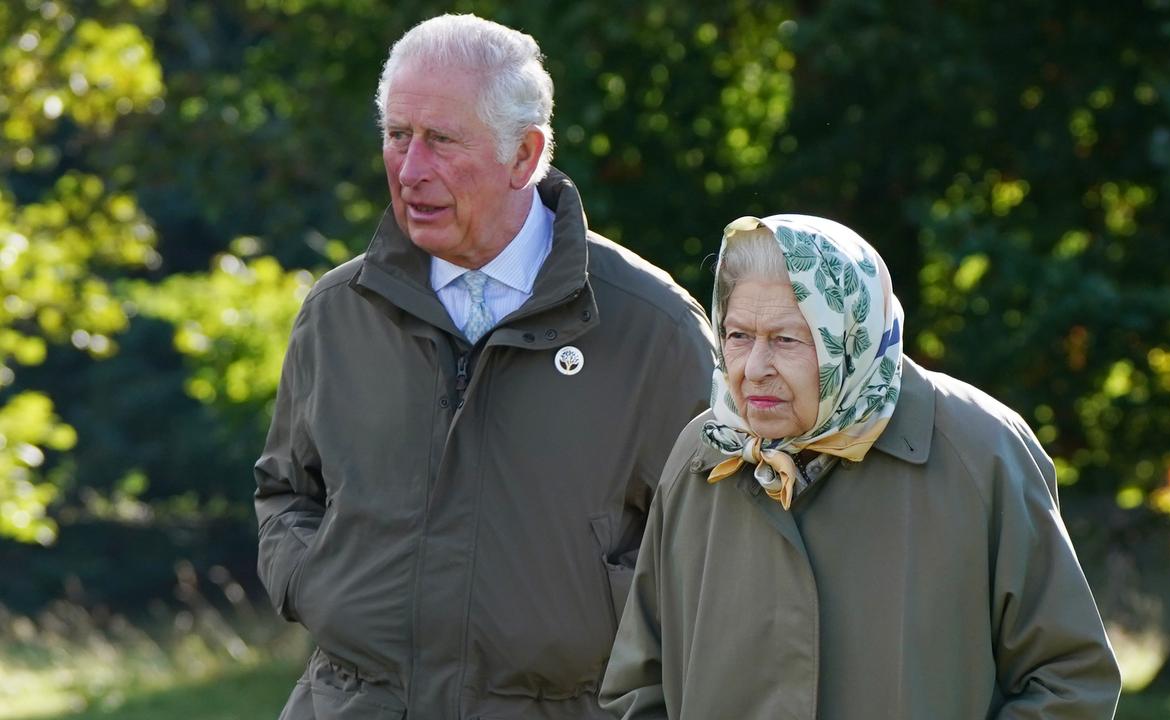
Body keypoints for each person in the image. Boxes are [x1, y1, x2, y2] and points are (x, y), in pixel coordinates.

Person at [253, 14, 714, 719]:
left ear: (524, 156)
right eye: (397, 136)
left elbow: (713, 546)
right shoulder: (338, 311)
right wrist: (315, 584)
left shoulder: (655, 330)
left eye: (440, 140)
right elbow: (285, 490)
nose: (410, 171)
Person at [599, 215, 1122, 719]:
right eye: (738, 336)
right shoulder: (704, 452)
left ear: (849, 337)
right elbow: (639, 685)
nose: (754, 368)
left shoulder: (981, 451)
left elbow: (1068, 680)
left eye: (785, 339)